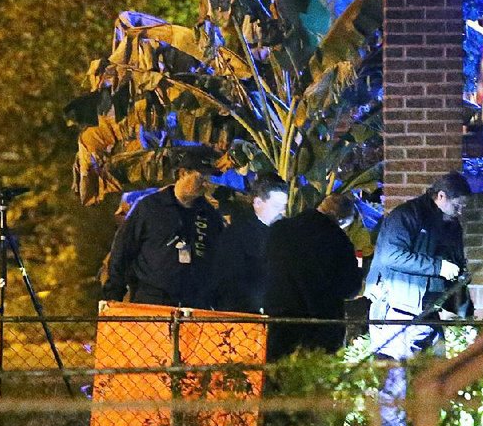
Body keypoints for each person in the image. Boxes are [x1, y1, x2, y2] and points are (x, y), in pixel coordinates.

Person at [367, 171, 473, 426]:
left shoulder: (450, 225)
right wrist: (439, 267)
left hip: (428, 312)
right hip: (399, 311)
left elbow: (455, 265)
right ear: (441, 197)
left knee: (435, 376)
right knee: (394, 382)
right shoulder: (407, 216)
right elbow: (392, 255)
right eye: (457, 205)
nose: (460, 212)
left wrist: (462, 301)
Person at [101, 148, 224, 308]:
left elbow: (218, 260)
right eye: (201, 177)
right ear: (182, 174)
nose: (206, 184)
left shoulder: (209, 215)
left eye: (209, 178)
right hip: (152, 301)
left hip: (193, 305)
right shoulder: (150, 207)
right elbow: (122, 250)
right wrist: (113, 296)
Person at [264, 193, 363, 361]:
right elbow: (351, 287)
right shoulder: (339, 241)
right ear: (339, 219)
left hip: (280, 321)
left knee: (277, 375)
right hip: (321, 326)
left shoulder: (278, 230)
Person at [207, 175, 289, 313]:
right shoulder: (237, 235)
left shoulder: (283, 235)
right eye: (276, 206)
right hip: (242, 314)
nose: (282, 212)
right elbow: (226, 279)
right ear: (257, 203)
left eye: (283, 207)